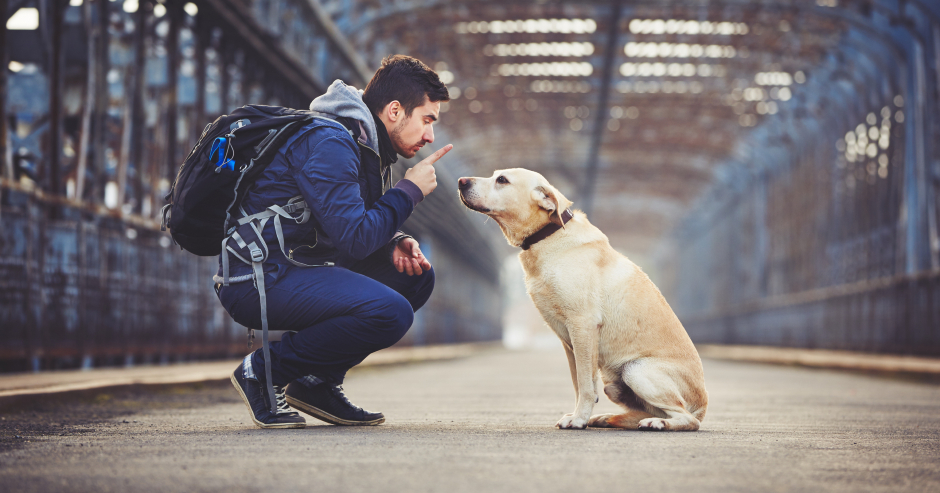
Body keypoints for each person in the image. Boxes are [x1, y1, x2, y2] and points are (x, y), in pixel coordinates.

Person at [221, 55, 452, 428]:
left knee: (415, 277)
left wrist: (394, 238)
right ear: (395, 110)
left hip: (301, 265)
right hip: (262, 276)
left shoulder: (366, 146)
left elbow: (344, 222)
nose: (430, 136)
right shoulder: (329, 141)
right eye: (427, 119)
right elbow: (354, 240)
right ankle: (262, 371)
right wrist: (409, 191)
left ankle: (316, 382)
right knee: (391, 312)